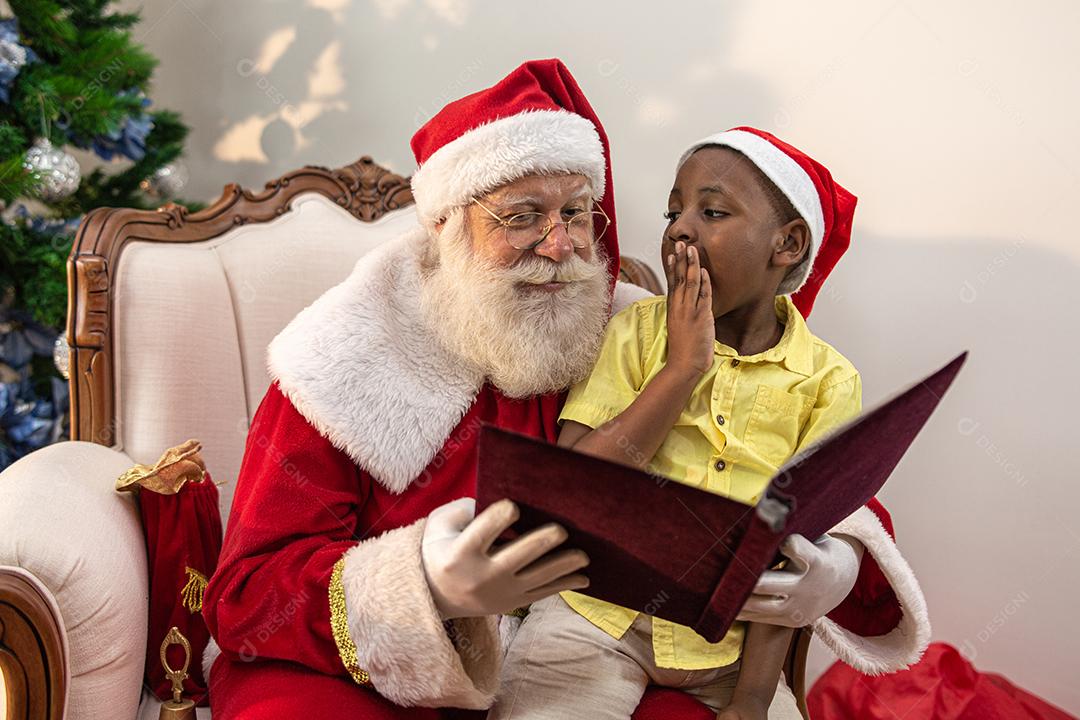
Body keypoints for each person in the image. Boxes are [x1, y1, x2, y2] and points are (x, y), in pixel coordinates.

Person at [201, 61, 929, 720]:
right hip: (365, 680)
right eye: (522, 217)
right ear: (449, 228)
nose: (562, 245)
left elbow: (812, 474)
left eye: (577, 212)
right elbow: (243, 597)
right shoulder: (347, 360)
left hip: (600, 653)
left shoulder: (631, 334)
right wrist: (426, 588)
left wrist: (840, 564)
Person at [490, 127, 899, 720]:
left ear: (786, 244)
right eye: (673, 211)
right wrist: (683, 367)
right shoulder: (631, 333)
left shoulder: (829, 383)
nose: (680, 228)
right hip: (593, 617)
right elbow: (576, 484)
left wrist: (754, 698)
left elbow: (794, 548)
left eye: (711, 211)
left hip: (729, 648)